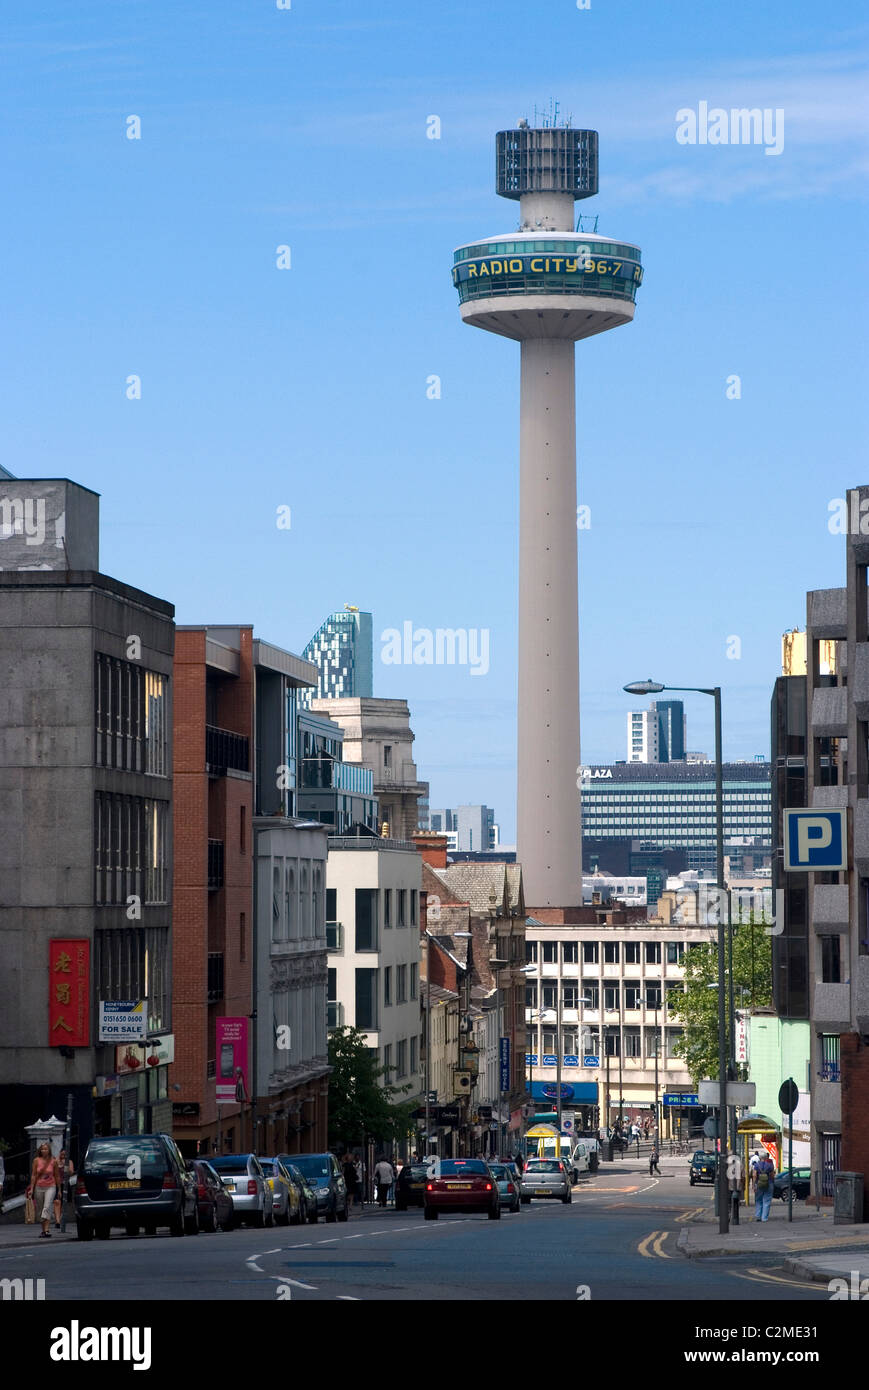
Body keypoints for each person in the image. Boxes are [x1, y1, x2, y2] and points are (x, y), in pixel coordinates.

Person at [27, 1142, 60, 1238]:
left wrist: (59, 1190)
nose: (44, 1151)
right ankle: (43, 1230)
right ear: (40, 1150)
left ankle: (47, 1229)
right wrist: (31, 1189)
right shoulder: (36, 1160)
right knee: (40, 1209)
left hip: (51, 1186)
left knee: (47, 1207)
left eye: (46, 1149)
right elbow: (33, 1175)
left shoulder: (53, 1161)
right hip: (38, 1186)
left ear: (49, 1150)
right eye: (42, 1149)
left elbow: (57, 1176)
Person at [752, 1150, 776, 1222]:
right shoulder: (770, 1165)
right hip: (768, 1184)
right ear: (766, 1157)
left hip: (758, 1184)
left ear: (759, 1157)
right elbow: (772, 1176)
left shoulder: (756, 1165)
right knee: (767, 1200)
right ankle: (764, 1218)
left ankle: (758, 1216)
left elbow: (754, 1175)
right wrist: (772, 1182)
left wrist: (754, 1184)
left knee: (758, 1200)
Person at [53, 1149, 74, 1229]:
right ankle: (57, 1221)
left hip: (65, 1184)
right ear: (59, 1153)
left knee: (63, 1204)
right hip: (56, 1184)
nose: (63, 1156)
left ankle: (61, 1218)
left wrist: (65, 1165)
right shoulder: (55, 1161)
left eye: (65, 1155)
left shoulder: (69, 1162)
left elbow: (71, 1172)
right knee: (56, 1202)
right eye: (62, 1154)